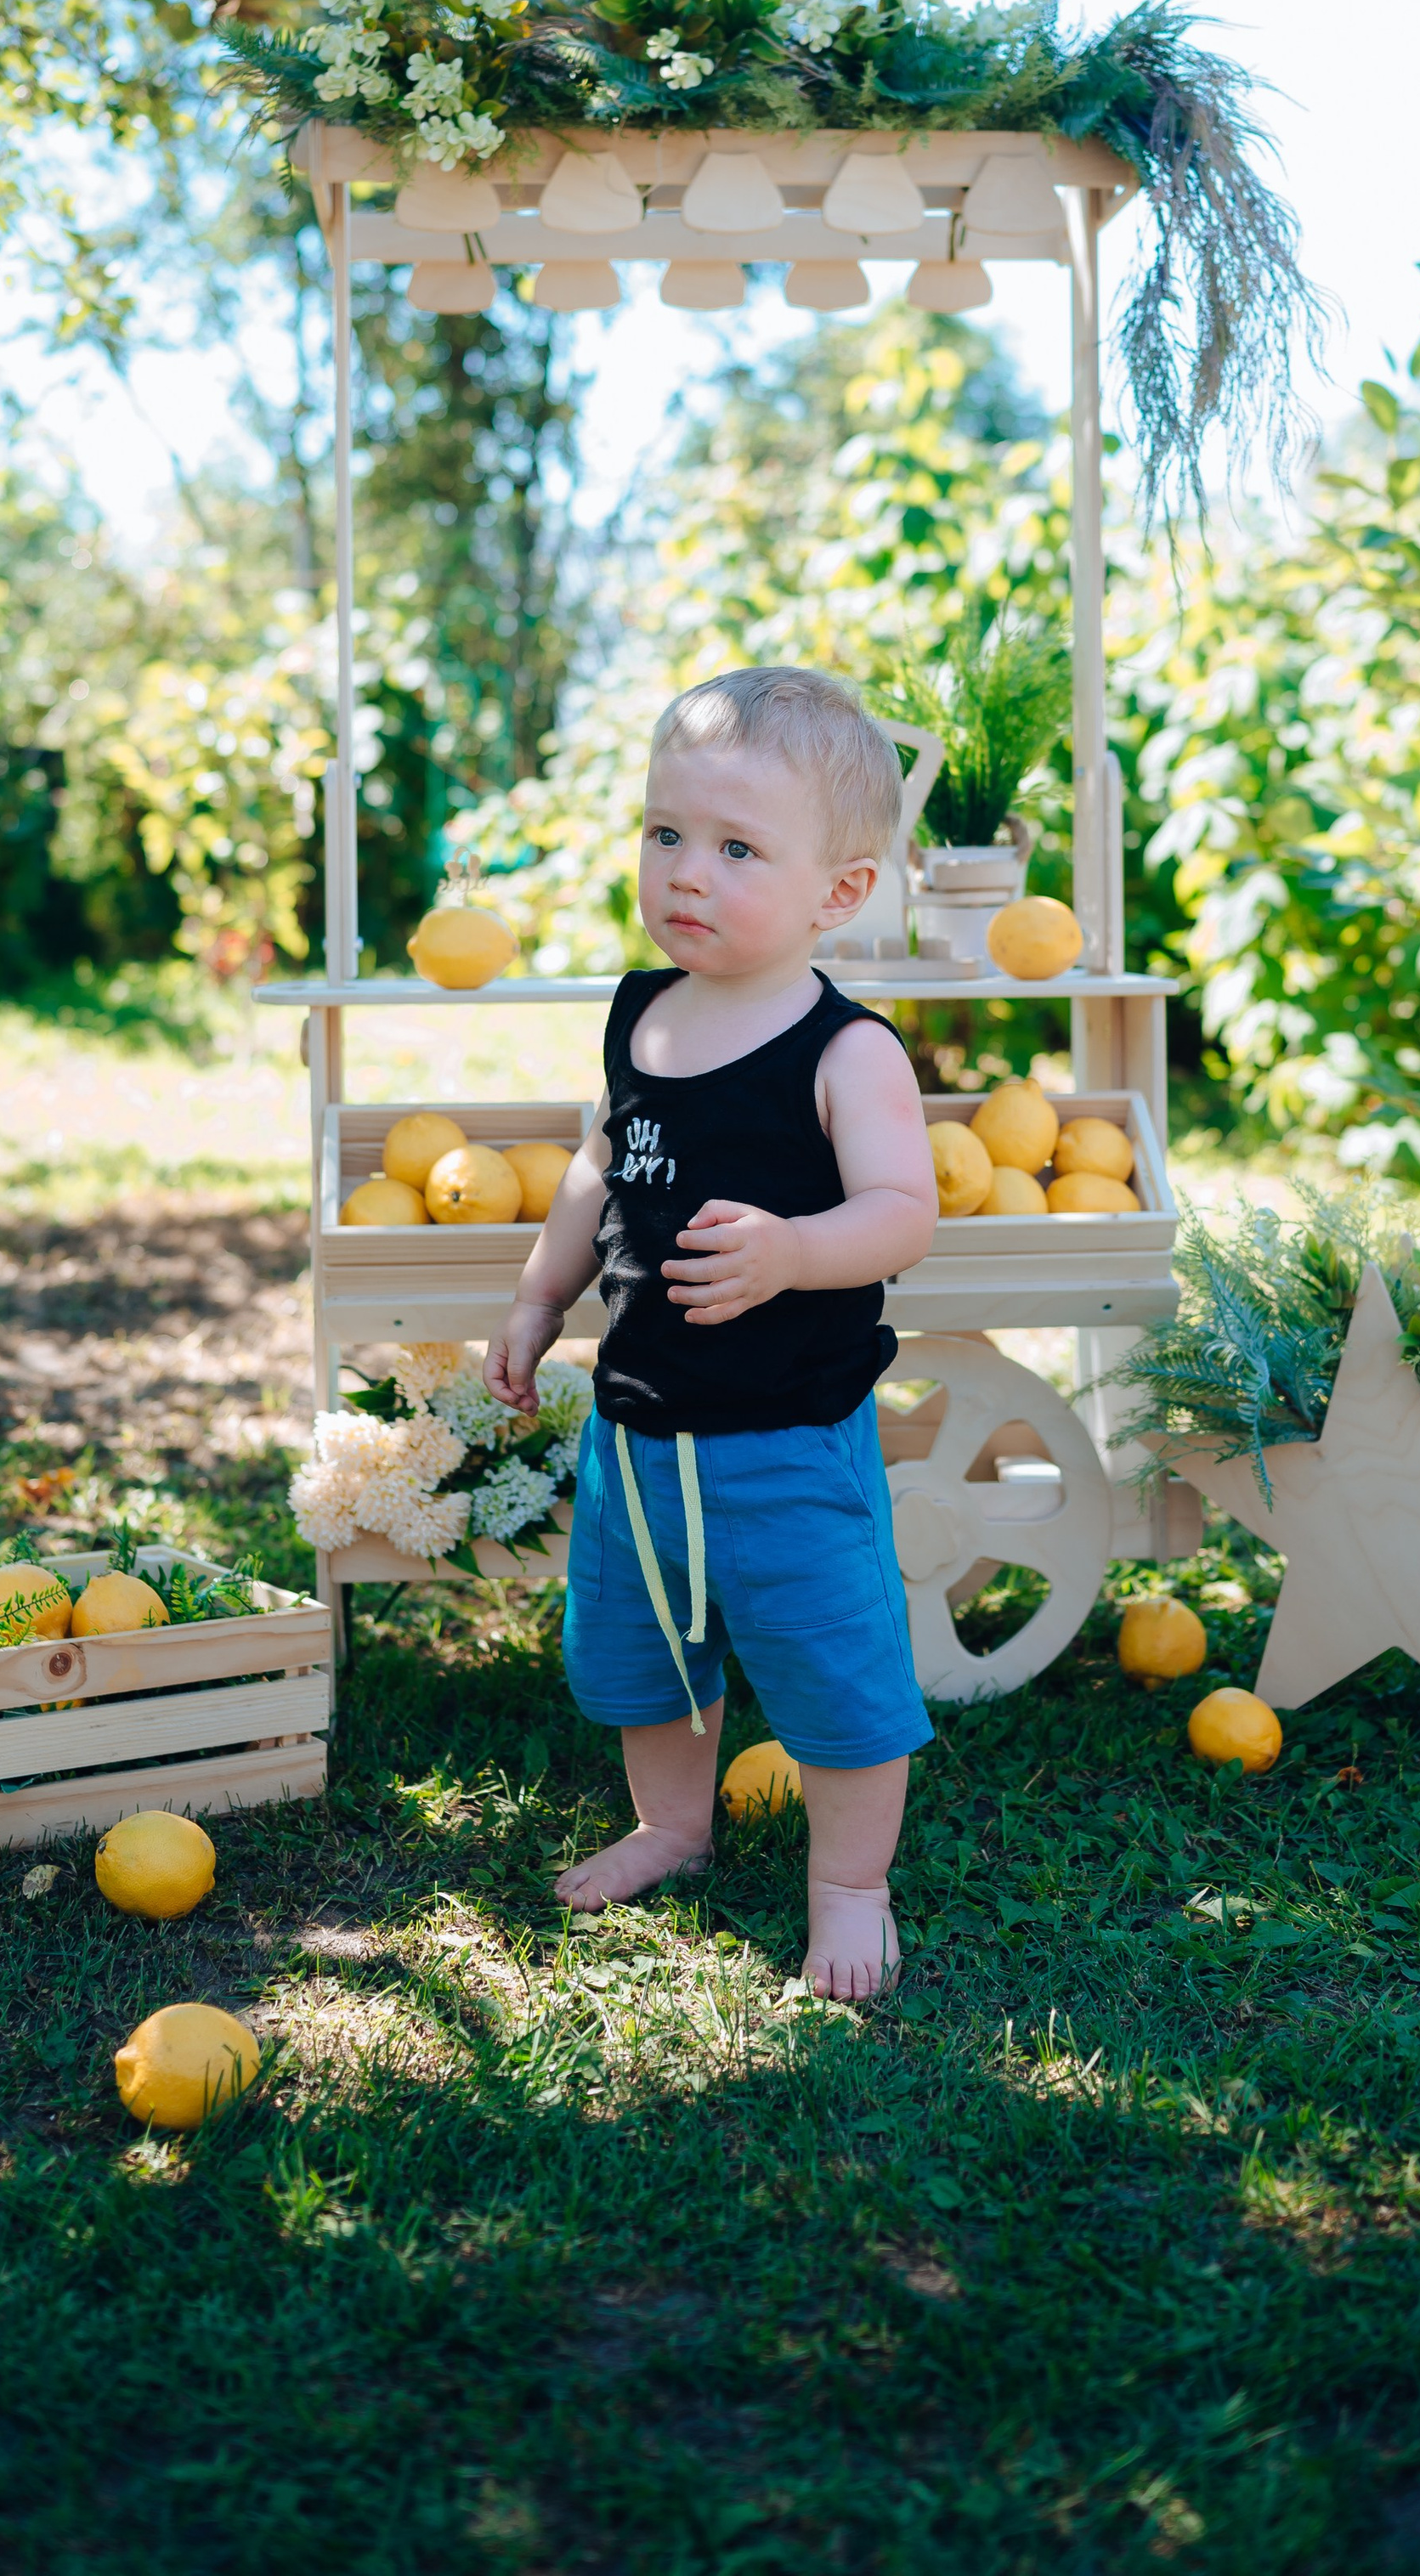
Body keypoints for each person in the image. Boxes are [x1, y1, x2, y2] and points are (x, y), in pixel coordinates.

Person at [485, 664, 938, 2002]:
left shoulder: (847, 1053)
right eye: (667, 832)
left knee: (836, 1669)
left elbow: (903, 1214)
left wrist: (797, 1251)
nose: (688, 870)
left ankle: (850, 1885)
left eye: (738, 848)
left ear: (838, 893)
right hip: (638, 1433)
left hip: (789, 1440)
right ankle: (672, 1825)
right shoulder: (642, 1014)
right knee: (647, 1660)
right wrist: (538, 1298)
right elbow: (598, 1172)